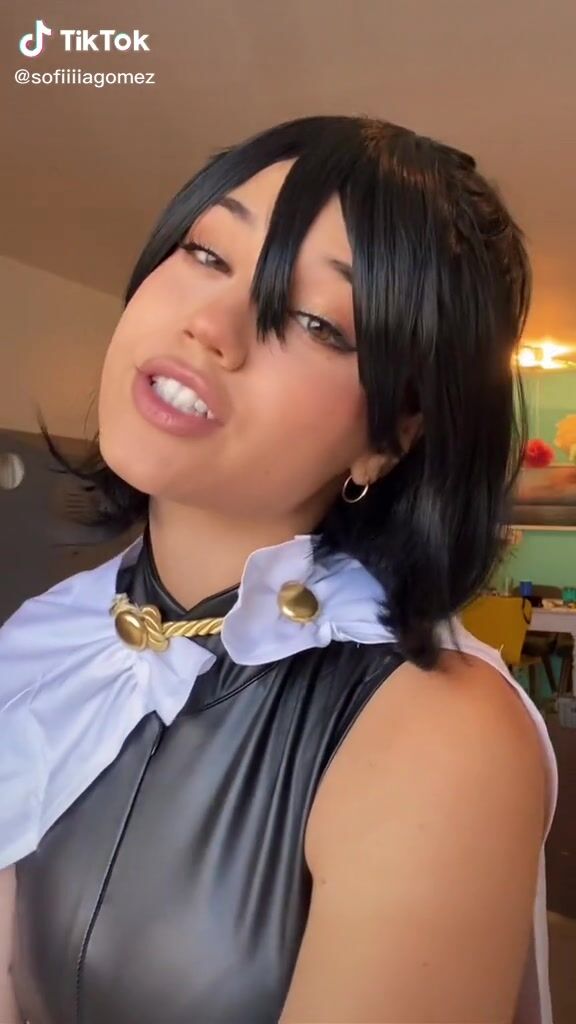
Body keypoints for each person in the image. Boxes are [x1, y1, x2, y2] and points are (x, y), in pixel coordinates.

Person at [0, 115, 557, 1024]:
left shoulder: (438, 735)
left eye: (317, 321)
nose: (211, 326)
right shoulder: (48, 637)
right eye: (207, 253)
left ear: (390, 438)